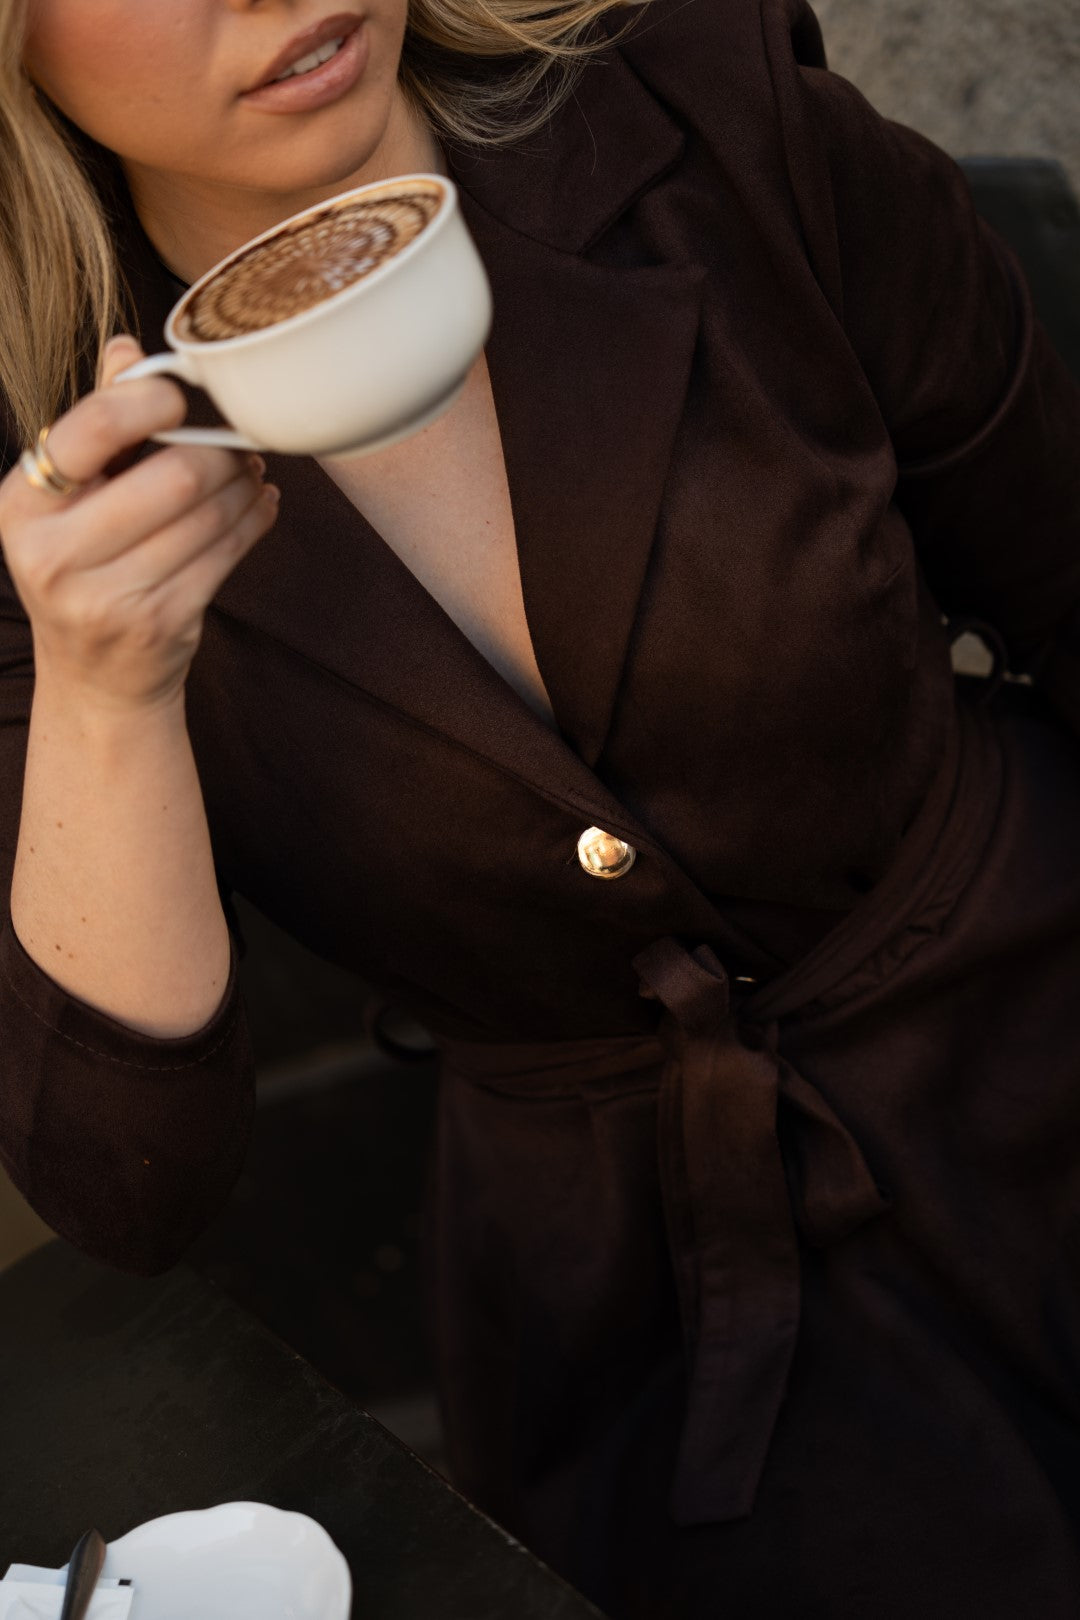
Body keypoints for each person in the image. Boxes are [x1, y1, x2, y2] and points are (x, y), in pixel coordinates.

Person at [2, 0, 1079, 1612]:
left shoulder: (700, 97)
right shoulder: (40, 486)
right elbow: (129, 1195)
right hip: (646, 1317)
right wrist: (106, 693)